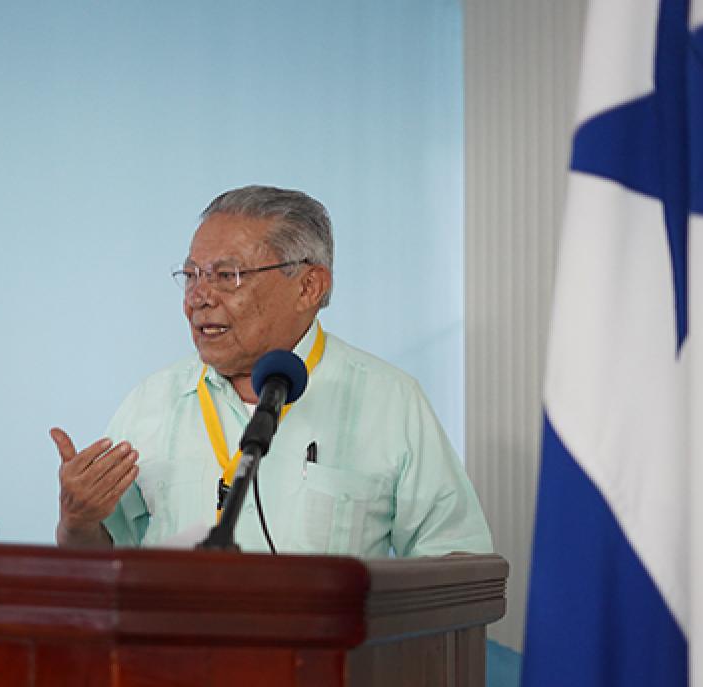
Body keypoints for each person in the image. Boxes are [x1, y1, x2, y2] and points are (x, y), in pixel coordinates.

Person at [50, 186, 492, 557]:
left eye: (227, 276)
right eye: (190, 276)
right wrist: (77, 522)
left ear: (308, 286)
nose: (198, 298)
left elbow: (457, 562)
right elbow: (103, 567)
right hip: (173, 661)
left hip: (329, 661)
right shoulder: (150, 403)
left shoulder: (390, 402)